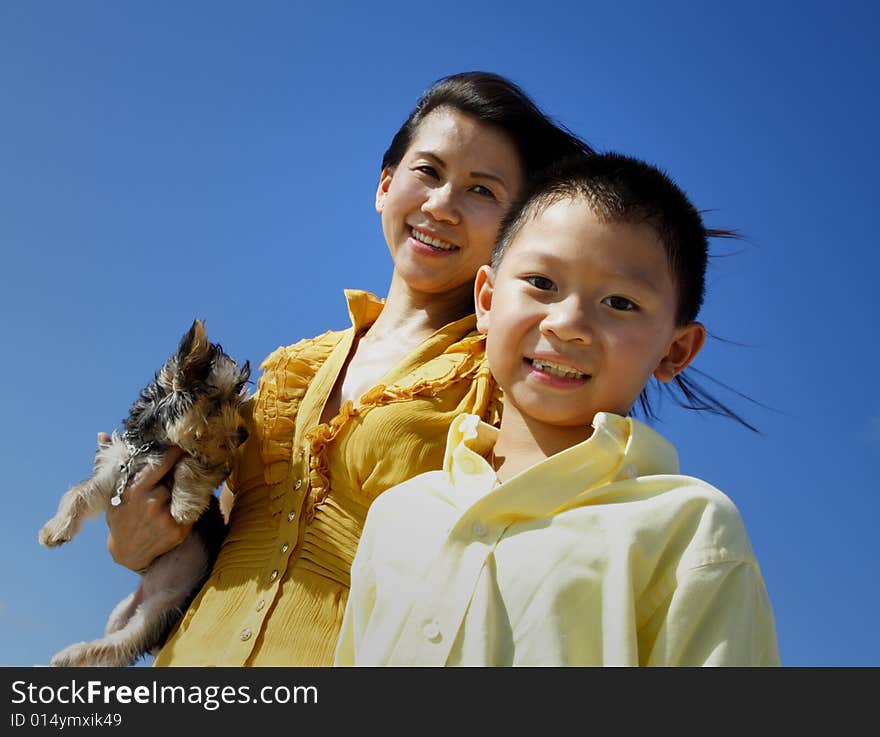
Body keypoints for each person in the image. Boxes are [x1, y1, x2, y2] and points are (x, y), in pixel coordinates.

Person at [104, 71, 594, 666]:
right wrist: (137, 537)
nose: (442, 205)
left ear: (515, 233)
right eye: (428, 173)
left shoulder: (503, 386)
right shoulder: (292, 367)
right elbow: (221, 535)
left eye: (483, 191)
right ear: (385, 185)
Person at [334, 152, 780, 666]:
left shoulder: (687, 527)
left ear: (675, 350)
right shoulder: (400, 512)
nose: (567, 323)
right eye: (542, 283)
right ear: (487, 299)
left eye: (620, 303)